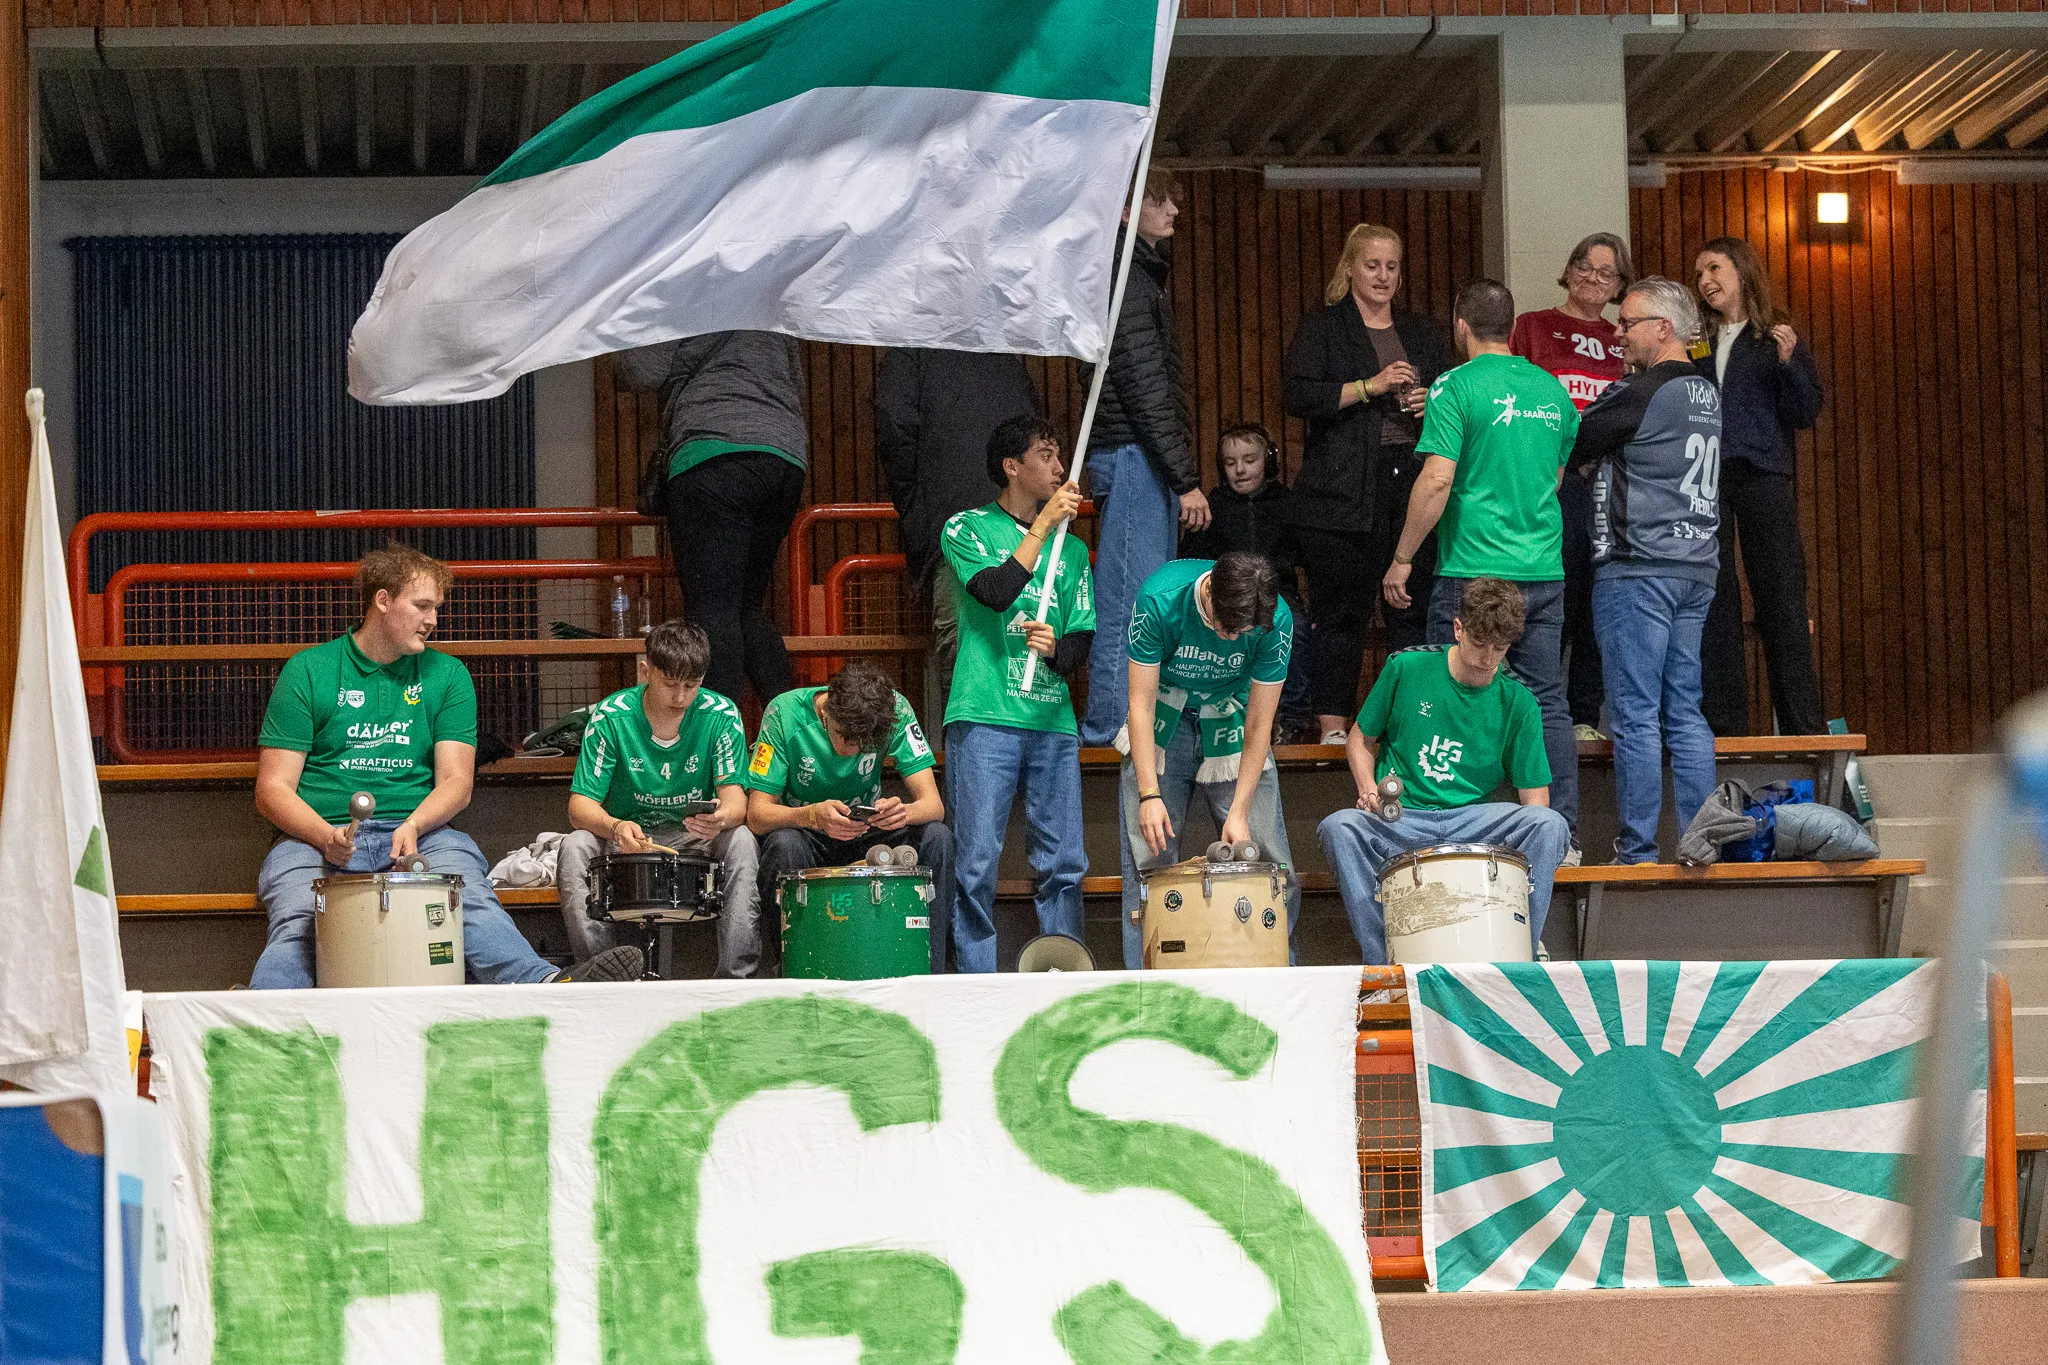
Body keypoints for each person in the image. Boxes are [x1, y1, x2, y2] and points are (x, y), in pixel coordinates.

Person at [251, 545, 641, 987]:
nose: (433, 619)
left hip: (424, 832)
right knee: (298, 921)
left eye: (437, 607)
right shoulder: (309, 670)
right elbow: (273, 789)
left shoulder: (448, 675)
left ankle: (547, 987)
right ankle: (261, 1021)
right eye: (422, 606)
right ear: (382, 601)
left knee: (470, 900)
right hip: (316, 835)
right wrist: (326, 838)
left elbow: (457, 782)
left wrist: (415, 825)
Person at [1382, 278, 1584, 851]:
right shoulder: (1553, 392)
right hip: (1544, 570)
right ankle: (1561, 840)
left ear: (1461, 327)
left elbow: (1438, 478)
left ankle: (1440, 834)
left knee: (1451, 693)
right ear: (1514, 329)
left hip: (1472, 569)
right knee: (1546, 700)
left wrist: (1402, 559)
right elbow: (1554, 478)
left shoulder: (1453, 386)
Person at [1317, 578, 1570, 964]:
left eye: (1499, 649)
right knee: (1339, 827)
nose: (1487, 658)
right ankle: (1383, 962)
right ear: (1457, 628)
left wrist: (1539, 826)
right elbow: (1360, 740)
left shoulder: (1519, 701)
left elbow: (1536, 800)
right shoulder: (1407, 666)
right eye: (1478, 644)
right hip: (1402, 816)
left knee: (1549, 825)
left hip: (1472, 820)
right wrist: (1368, 788)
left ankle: (1522, 947)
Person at [1282, 223, 1453, 743]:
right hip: (1339, 496)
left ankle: (1406, 726)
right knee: (1341, 615)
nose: (1383, 276)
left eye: (1392, 266)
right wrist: (1368, 386)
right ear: (1350, 269)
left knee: (1410, 612)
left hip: (1410, 488)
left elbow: (1454, 394)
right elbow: (1297, 395)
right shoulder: (1323, 328)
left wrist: (1434, 402)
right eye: (1372, 265)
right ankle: (1333, 728)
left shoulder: (1423, 332)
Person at [1571, 278, 1723, 864]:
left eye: (1628, 322)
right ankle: (1700, 843)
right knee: (1684, 707)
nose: (1617, 332)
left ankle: (1636, 850)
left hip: (1638, 568)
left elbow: (1577, 438)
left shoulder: (1642, 390)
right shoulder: (1705, 390)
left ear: (1663, 328)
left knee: (1634, 713)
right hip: (1696, 567)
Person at [941, 415, 1095, 972]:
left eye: (1061, 456)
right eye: (1048, 455)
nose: (1061, 468)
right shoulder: (966, 527)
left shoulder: (1072, 551)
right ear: (1013, 467)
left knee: (1065, 863)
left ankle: (1064, 974)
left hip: (1052, 721)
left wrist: (1056, 647)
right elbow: (995, 591)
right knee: (976, 861)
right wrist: (1042, 527)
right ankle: (976, 981)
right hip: (985, 715)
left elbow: (1081, 644)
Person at [1119, 551, 1299, 970]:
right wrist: (1149, 794)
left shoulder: (1277, 619)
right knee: (1151, 860)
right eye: (1227, 628)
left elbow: (1259, 723)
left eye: (1245, 633)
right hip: (1165, 714)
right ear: (1210, 593)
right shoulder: (1160, 599)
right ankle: (1147, 991)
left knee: (1267, 856)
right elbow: (1139, 705)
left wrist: (1239, 812)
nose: (1234, 639)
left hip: (1232, 715)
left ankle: (1279, 979)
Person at [556, 620, 761, 975]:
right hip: (628, 837)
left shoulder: (722, 714)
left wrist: (721, 817)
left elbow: (736, 803)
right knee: (575, 846)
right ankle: (599, 975)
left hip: (695, 836)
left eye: (691, 686)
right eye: (670, 684)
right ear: (645, 671)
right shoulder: (612, 715)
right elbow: (579, 807)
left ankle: (735, 978)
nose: (681, 697)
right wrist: (615, 826)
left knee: (741, 839)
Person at [1081, 169, 1206, 747]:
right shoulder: (1128, 281)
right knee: (1132, 600)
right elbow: (1146, 387)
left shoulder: (1131, 277)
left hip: (1130, 454)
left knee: (1138, 598)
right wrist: (1185, 479)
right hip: (1133, 457)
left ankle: (1122, 723)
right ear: (1128, 210)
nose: (1174, 209)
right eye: (1161, 198)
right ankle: (1111, 726)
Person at [617, 329, 807, 707]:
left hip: (713, 449)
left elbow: (639, 370)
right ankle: (796, 734)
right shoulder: (765, 295)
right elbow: (795, 383)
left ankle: (721, 747)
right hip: (784, 457)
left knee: (713, 612)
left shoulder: (693, 291)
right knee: (746, 608)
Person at [1693, 237, 1827, 737]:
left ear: (1743, 271)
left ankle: (1802, 727)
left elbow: (1806, 410)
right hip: (1708, 481)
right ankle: (1723, 727)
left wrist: (1790, 365)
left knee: (1782, 603)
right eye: (1700, 273)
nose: (1706, 280)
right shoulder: (1696, 341)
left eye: (1715, 268)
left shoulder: (1774, 334)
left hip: (1763, 476)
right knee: (1715, 602)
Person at [747, 660, 955, 974]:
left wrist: (902, 812)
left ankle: (932, 970)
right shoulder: (783, 713)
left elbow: (932, 806)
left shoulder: (895, 709)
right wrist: (812, 815)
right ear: (826, 711)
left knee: (938, 837)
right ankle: (787, 969)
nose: (851, 749)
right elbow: (757, 814)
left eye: (863, 743)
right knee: (783, 844)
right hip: (808, 835)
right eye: (844, 736)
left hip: (869, 834)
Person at [874, 348, 1043, 733]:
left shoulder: (912, 348)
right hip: (1025, 523)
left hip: (954, 518)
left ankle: (971, 787)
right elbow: (1033, 432)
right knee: (1031, 653)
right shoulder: (1005, 343)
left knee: (967, 662)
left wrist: (916, 510)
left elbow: (896, 430)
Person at [1510, 232, 1634, 741]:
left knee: (1594, 596)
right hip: (1547, 483)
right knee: (1545, 592)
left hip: (1606, 485)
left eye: (1606, 273)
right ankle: (1529, 713)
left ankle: (1583, 716)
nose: (1592, 278)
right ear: (1569, 268)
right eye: (1584, 266)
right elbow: (1510, 396)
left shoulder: (1623, 339)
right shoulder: (1533, 327)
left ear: (1619, 284)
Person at [1181, 423, 1313, 741]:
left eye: (1249, 460)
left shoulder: (1288, 504)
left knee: (1293, 624)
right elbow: (1190, 566)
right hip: (1226, 597)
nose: (1239, 470)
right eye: (1229, 463)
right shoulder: (1211, 507)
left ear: (1268, 460)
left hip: (1279, 593)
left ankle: (1293, 719)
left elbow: (1310, 557)